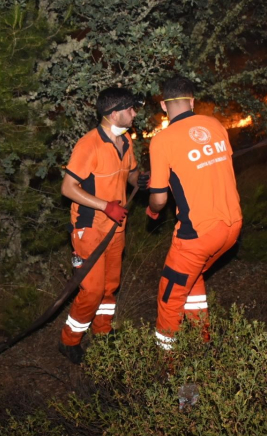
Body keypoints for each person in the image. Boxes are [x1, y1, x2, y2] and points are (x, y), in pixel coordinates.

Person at [147, 76, 242, 350]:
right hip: (232, 226)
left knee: (169, 298)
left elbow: (159, 200)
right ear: (191, 101)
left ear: (163, 105)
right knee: (192, 279)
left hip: (197, 235)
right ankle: (201, 347)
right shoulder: (215, 125)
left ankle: (170, 367)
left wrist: (152, 210)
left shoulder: (162, 140)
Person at [58, 87, 146, 364]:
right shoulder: (89, 145)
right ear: (114, 113)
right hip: (89, 228)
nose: (134, 114)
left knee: (110, 286)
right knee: (92, 290)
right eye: (130, 109)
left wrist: (141, 180)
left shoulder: (126, 141)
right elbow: (68, 188)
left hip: (116, 228)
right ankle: (69, 341)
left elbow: (131, 174)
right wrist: (106, 206)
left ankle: (103, 332)